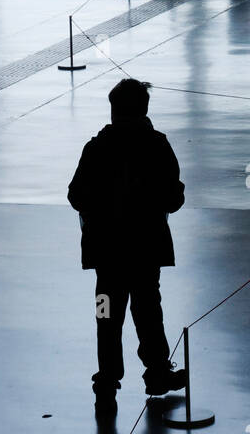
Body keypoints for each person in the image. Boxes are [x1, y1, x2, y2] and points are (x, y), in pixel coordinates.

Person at [68, 78, 187, 416]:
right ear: (144, 109)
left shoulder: (96, 148)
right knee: (149, 311)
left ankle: (106, 386)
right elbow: (174, 198)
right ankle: (158, 374)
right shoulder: (157, 146)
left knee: (106, 317)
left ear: (113, 109)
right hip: (145, 251)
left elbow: (76, 195)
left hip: (106, 256)